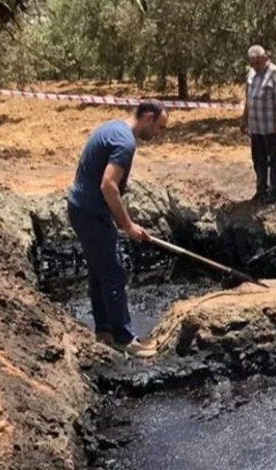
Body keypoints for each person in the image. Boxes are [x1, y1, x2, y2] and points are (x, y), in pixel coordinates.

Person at [66, 100, 168, 357]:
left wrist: (114, 217)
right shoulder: (125, 142)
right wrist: (128, 225)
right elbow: (108, 185)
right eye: (159, 127)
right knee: (114, 273)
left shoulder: (114, 127)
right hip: (90, 211)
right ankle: (124, 338)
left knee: (99, 271)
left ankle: (104, 332)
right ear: (148, 117)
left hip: (83, 208)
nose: (158, 134)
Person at [240, 45, 276, 203]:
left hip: (271, 125)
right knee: (258, 158)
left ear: (265, 58)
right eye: (253, 62)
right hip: (256, 126)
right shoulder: (251, 74)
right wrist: (244, 119)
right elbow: (248, 100)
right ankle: (261, 189)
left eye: (258, 62)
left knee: (274, 158)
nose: (256, 66)